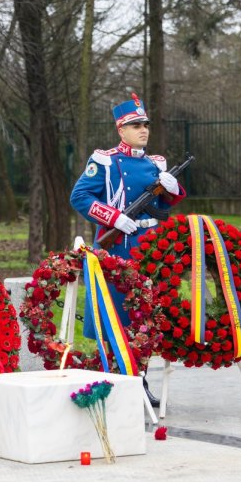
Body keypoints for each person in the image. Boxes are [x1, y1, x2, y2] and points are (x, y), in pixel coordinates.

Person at [70, 94, 185, 405]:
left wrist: (172, 192)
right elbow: (79, 196)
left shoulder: (156, 164)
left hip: (151, 249)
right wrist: (114, 217)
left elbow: (162, 205)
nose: (143, 130)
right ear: (121, 130)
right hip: (118, 248)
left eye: (145, 124)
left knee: (146, 317)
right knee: (118, 315)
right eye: (135, 125)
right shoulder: (105, 160)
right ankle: (116, 377)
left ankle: (140, 379)